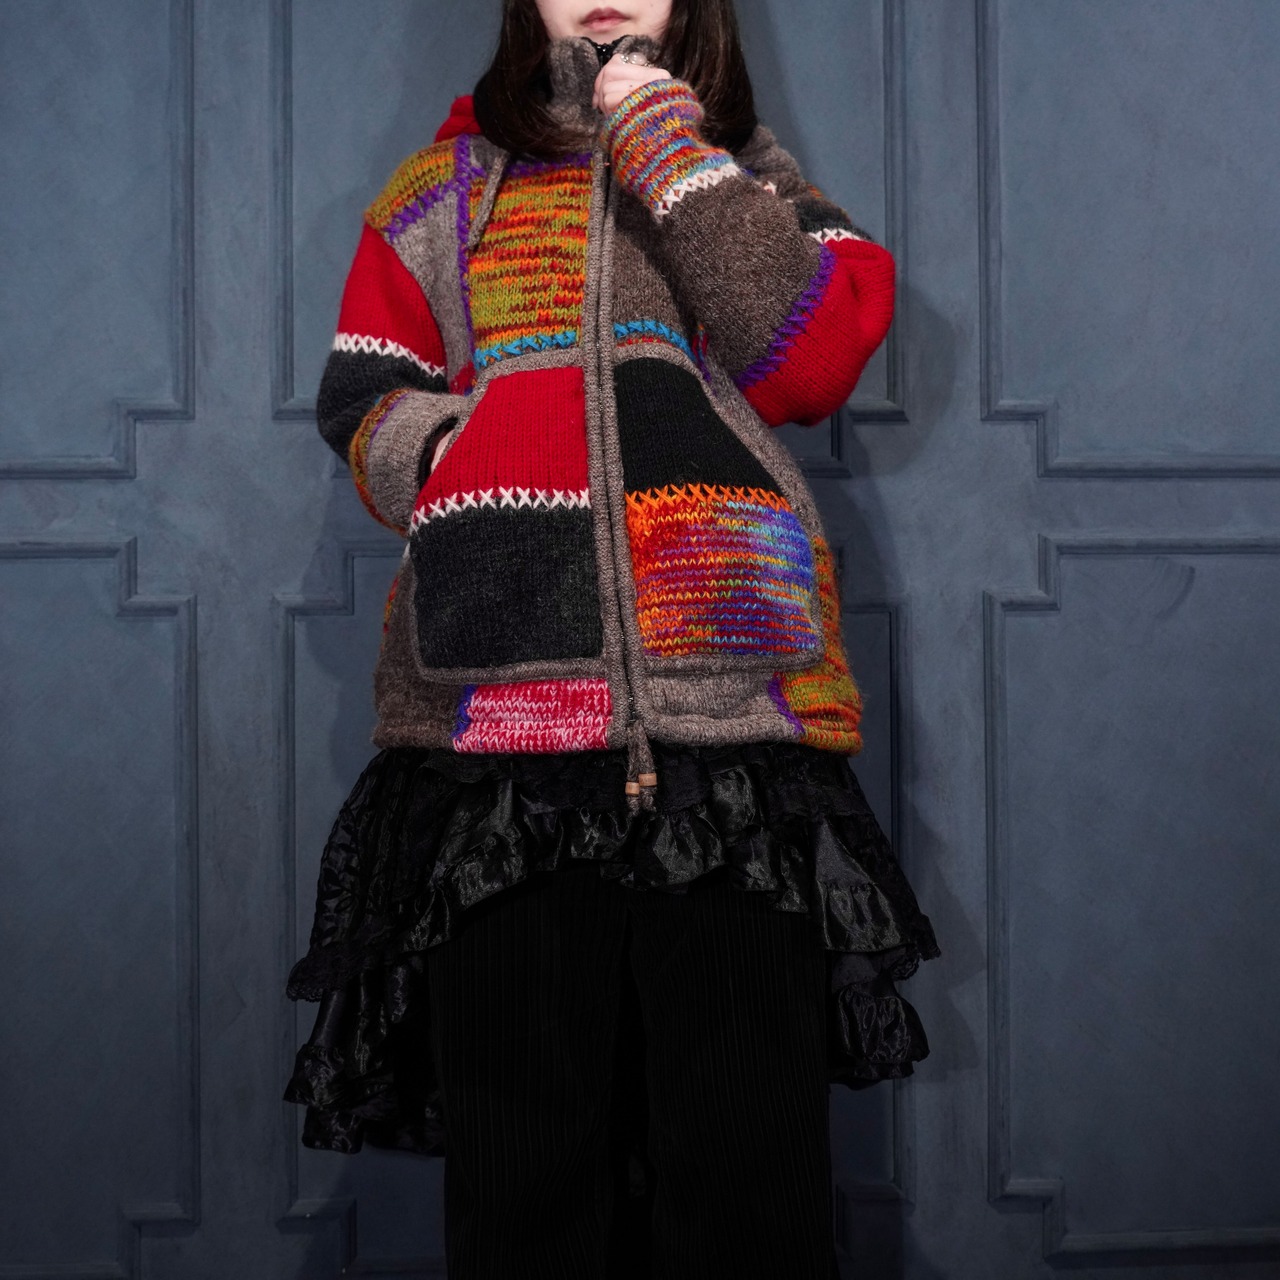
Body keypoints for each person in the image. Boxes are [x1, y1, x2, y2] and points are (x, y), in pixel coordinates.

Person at [283, 0, 942, 1275]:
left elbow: (807, 363)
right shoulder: (442, 188)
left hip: (732, 740)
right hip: (498, 757)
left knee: (747, 1186)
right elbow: (361, 391)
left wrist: (660, 141)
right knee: (522, 1188)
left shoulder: (752, 180)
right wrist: (454, 455)